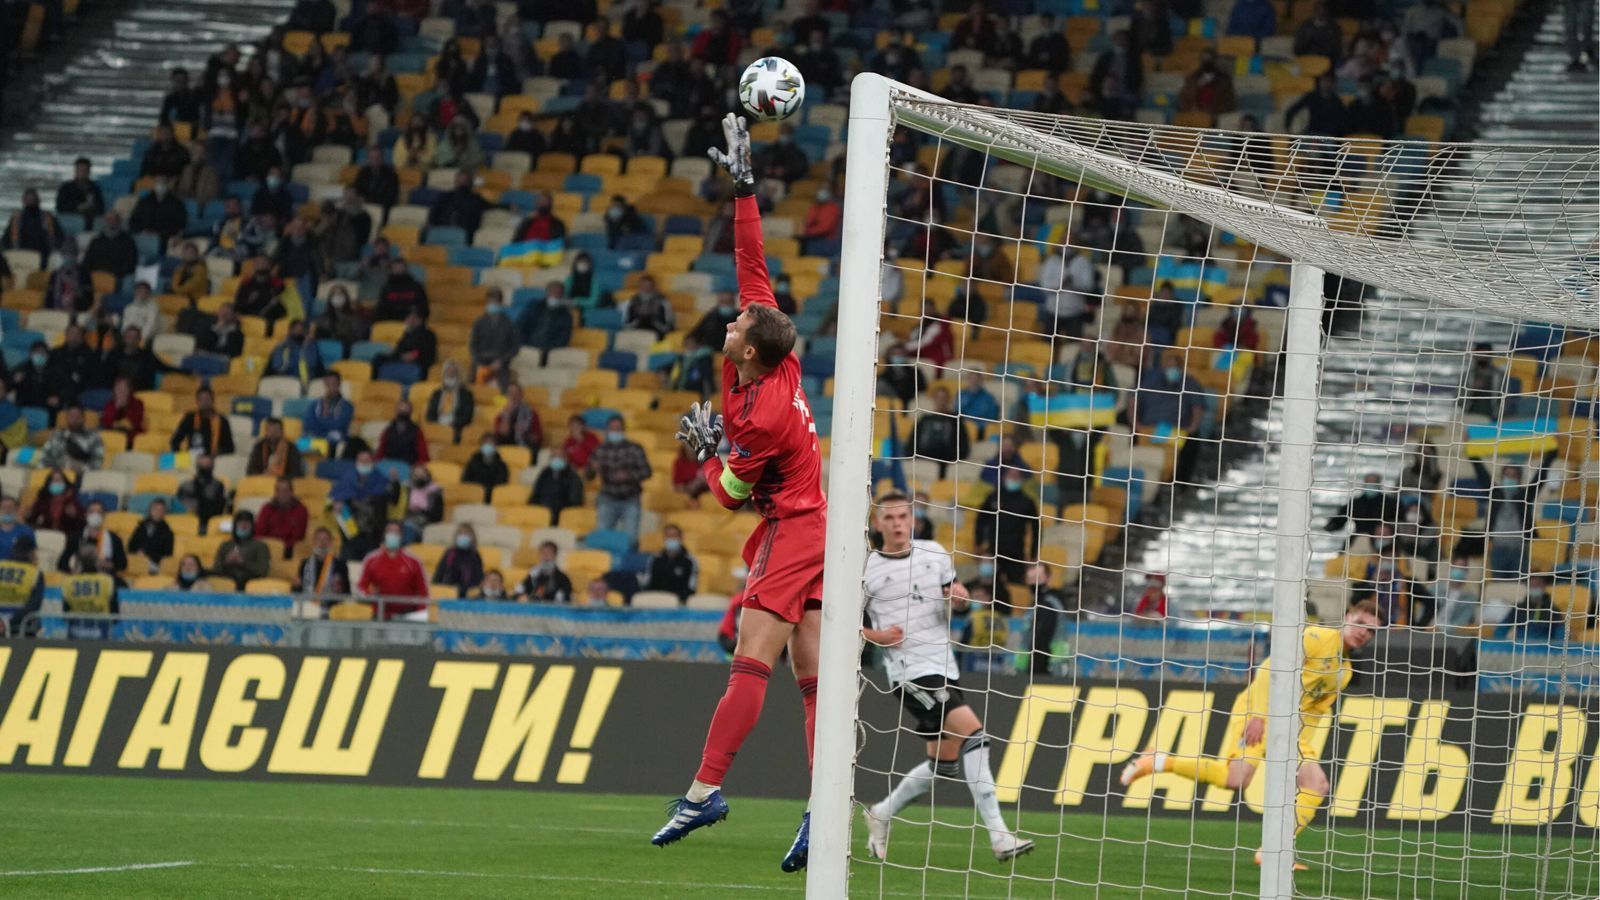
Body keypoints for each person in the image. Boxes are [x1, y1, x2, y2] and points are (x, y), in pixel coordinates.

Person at [651, 116, 827, 873]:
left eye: (737, 321)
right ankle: (825, 808)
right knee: (814, 677)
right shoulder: (773, 359)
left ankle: (705, 790)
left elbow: (727, 497)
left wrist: (710, 452)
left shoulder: (758, 415)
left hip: (792, 529)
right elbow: (750, 258)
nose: (731, 315)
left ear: (747, 349)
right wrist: (746, 189)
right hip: (820, 521)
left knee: (751, 662)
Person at [1121, 599, 1381, 870]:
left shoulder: (1345, 672)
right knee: (1236, 779)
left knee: (1316, 785)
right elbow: (1269, 670)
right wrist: (1258, 716)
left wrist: (1299, 746)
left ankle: (1272, 851)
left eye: (1371, 631)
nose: (1364, 632)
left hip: (1291, 728)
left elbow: (1315, 712)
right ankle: (1158, 761)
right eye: (1361, 623)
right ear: (1348, 616)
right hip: (1257, 712)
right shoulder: (1316, 637)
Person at [860, 491, 1035, 862]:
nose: (897, 524)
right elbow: (849, 627)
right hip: (909, 673)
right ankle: (1000, 836)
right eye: (889, 518)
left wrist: (960, 599)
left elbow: (955, 598)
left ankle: (882, 812)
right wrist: (880, 637)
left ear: (913, 519)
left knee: (946, 763)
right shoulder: (866, 568)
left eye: (903, 516)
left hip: (944, 665)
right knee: (975, 736)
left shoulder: (935, 553)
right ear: (877, 523)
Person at [586, 416, 651, 546]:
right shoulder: (600, 450)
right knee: (603, 539)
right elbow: (589, 476)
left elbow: (646, 472)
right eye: (612, 428)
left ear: (623, 430)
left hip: (630, 499)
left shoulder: (635, 448)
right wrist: (593, 469)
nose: (615, 431)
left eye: (618, 428)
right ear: (607, 430)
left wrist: (629, 475)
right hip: (607, 498)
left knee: (630, 540)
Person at [974, 468, 1040, 588]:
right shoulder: (993, 497)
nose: (1013, 479)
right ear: (1004, 477)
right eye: (1011, 476)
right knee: (988, 586)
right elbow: (980, 520)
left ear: (1022, 480)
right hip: (993, 552)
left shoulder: (1027, 502)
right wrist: (979, 543)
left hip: (1015, 553)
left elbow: (1036, 529)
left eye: (1016, 477)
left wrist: (1033, 553)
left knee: (1017, 587)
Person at [356, 521, 430, 619]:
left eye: (396, 532)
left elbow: (423, 592)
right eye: (390, 531)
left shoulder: (413, 562)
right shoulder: (371, 560)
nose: (392, 535)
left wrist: (420, 616)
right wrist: (370, 596)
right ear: (384, 535)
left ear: (401, 536)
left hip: (407, 615)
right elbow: (361, 587)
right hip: (380, 614)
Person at [911, 386, 970, 477]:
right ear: (933, 399)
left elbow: (963, 446)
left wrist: (952, 457)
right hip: (924, 460)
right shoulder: (924, 420)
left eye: (944, 398)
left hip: (948, 462)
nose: (941, 401)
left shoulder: (956, 420)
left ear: (949, 400)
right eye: (938, 398)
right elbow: (912, 442)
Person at [58, 500, 127, 575]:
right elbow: (62, 563)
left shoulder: (114, 538)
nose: (95, 515)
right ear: (86, 515)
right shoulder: (76, 537)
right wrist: (72, 572)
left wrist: (108, 565)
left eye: (99, 512)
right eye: (91, 512)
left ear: (104, 516)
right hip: (81, 577)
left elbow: (123, 564)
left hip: (106, 578)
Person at [468, 288, 518, 386]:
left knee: (503, 388)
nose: (491, 305)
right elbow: (473, 345)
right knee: (471, 384)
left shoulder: (509, 324)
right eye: (489, 302)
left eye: (494, 302)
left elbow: (515, 347)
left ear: (500, 303)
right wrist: (478, 361)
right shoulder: (479, 322)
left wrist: (502, 361)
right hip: (480, 361)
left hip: (501, 363)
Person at [213, 510, 271, 589]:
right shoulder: (226, 545)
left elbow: (262, 570)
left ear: (252, 526)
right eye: (240, 523)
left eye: (247, 523)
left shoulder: (261, 546)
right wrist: (226, 562)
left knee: (240, 576)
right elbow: (216, 568)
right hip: (227, 575)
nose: (243, 526)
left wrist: (243, 563)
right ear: (235, 526)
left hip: (247, 577)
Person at [170, 386, 235, 455]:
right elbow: (174, 441)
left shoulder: (222, 421)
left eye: (207, 399)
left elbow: (230, 448)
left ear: (213, 401)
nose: (204, 402)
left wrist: (219, 452)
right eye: (201, 399)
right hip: (193, 458)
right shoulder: (189, 418)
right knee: (165, 461)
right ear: (197, 402)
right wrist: (181, 456)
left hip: (214, 458)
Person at [39, 405, 105, 473]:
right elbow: (45, 455)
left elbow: (97, 463)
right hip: (56, 473)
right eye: (71, 416)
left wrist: (80, 468)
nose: (74, 420)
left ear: (83, 418)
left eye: (78, 417)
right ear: (67, 418)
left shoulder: (94, 437)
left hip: (81, 475)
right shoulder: (58, 434)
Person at [529, 448, 585, 525]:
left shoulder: (573, 476)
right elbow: (536, 493)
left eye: (560, 456)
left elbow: (575, 500)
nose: (556, 459)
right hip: (542, 510)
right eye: (554, 456)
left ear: (566, 458)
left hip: (562, 513)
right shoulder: (545, 474)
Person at [3, 188, 63, 258]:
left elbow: (6, 241)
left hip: (33, 257)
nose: (31, 201)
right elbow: (60, 238)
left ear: (23, 202)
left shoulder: (48, 219)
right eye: (29, 199)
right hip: (25, 256)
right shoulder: (48, 218)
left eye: (32, 199)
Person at [129, 176, 188, 246]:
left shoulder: (177, 203)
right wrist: (142, 230)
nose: (160, 185)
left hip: (164, 238)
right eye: (158, 182)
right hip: (143, 236)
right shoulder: (144, 202)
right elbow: (133, 220)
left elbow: (180, 225)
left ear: (168, 184)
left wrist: (160, 233)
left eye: (163, 183)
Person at [426, 360, 475, 443]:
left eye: (454, 371)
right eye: (448, 371)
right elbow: (430, 414)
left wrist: (453, 423)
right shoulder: (436, 394)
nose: (451, 373)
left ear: (459, 374)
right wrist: (438, 424)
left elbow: (467, 417)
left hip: (455, 427)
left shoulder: (466, 394)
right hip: (437, 426)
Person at [177, 452, 230, 530]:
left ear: (212, 466)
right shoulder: (186, 485)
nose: (205, 466)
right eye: (202, 464)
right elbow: (181, 505)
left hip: (208, 521)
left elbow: (218, 507)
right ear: (197, 466)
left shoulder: (218, 485)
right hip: (188, 521)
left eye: (207, 464)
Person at [303, 372, 355, 449]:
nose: (330, 388)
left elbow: (338, 425)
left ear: (339, 385)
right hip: (315, 436)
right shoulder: (314, 404)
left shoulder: (347, 406)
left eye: (334, 384)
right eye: (327, 384)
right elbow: (308, 423)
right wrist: (324, 425)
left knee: (334, 436)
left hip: (333, 439)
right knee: (301, 442)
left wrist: (320, 421)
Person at [257, 477, 309, 553]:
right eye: (278, 491)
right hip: (267, 548)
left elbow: (298, 537)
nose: (282, 494)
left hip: (289, 550)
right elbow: (259, 532)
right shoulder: (267, 508)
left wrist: (280, 547)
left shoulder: (301, 510)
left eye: (285, 490)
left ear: (291, 492)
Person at [647, 524, 698, 601]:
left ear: (680, 538)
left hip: (678, 603)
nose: (671, 539)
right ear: (664, 538)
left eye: (674, 536)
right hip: (655, 601)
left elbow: (691, 588)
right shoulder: (655, 559)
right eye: (668, 536)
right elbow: (648, 583)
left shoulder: (689, 561)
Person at [82, 212, 138, 281]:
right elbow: (87, 261)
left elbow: (130, 264)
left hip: (116, 276)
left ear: (119, 222)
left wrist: (114, 273)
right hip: (95, 275)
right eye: (108, 220)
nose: (110, 222)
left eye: (114, 219)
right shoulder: (96, 241)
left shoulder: (128, 241)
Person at [433, 523, 486, 597]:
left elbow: (478, 577)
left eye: (467, 533)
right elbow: (439, 573)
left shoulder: (475, 555)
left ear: (473, 537)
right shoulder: (450, 553)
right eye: (461, 533)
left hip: (468, 594)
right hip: (449, 592)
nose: (463, 535)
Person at [56, 157, 106, 231]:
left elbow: (101, 207)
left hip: (91, 218)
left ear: (89, 171)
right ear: (75, 171)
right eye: (80, 170)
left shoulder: (94, 188)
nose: (82, 173)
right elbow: (60, 206)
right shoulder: (66, 187)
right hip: (71, 217)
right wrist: (78, 207)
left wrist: (91, 207)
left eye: (85, 170)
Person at [297, 526, 350, 596]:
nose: (322, 542)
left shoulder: (340, 564)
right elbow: (298, 589)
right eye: (319, 539)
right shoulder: (305, 563)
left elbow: (347, 591)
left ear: (331, 542)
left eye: (326, 539)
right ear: (314, 542)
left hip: (332, 604)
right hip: (308, 603)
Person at [399, 465, 445, 545]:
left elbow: (437, 516)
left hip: (425, 521)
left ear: (428, 476)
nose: (419, 477)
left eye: (422, 475)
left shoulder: (435, 493)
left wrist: (422, 511)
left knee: (408, 527)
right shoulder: (406, 489)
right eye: (416, 475)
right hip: (405, 519)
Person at [375, 257, 430, 321]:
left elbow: (424, 308)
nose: (398, 269)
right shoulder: (386, 288)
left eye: (400, 267)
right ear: (391, 269)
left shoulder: (416, 287)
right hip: (390, 324)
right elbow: (380, 309)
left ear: (406, 269)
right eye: (396, 267)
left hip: (411, 323)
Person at [375, 399, 429, 465]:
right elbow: (380, 453)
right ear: (396, 411)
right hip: (389, 466)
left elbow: (423, 456)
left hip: (409, 466)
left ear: (411, 411)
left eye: (406, 409)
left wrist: (417, 467)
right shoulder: (388, 430)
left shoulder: (417, 431)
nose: (403, 410)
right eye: (400, 408)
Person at [128, 499, 174, 572]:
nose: (157, 512)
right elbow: (131, 545)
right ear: (150, 510)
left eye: (160, 510)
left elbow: (167, 555)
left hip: (153, 563)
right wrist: (137, 552)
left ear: (164, 513)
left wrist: (147, 555)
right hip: (136, 559)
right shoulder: (141, 526)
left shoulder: (168, 532)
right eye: (155, 509)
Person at [463, 434, 510, 502]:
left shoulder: (502, 466)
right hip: (472, 496)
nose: (487, 446)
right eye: (485, 443)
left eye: (490, 443)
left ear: (496, 446)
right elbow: (466, 480)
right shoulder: (473, 463)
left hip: (490, 499)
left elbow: (500, 486)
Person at [0, 496, 37, 562]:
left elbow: (33, 556)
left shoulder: (26, 531)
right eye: (4, 507)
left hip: (18, 569)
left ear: (16, 509)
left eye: (10, 507)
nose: (7, 510)